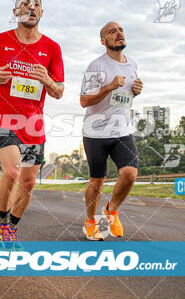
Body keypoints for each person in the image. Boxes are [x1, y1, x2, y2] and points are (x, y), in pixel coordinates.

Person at [0, 0, 64, 249]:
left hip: (33, 124)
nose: (31, 8)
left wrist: (46, 80)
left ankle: (11, 227)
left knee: (29, 182)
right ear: (15, 12)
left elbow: (59, 91)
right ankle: (1, 223)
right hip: (3, 118)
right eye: (25, 4)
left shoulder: (52, 48)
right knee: (12, 172)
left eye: (36, 5)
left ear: (42, 13)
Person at [79, 21, 143, 240]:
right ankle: (90, 221)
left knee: (130, 174)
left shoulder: (132, 64)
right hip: (96, 132)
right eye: (112, 31)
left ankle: (112, 210)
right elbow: (84, 100)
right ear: (103, 41)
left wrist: (137, 91)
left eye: (121, 30)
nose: (119, 34)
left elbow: (126, 98)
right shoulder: (96, 66)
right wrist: (109, 87)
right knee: (97, 181)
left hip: (122, 129)